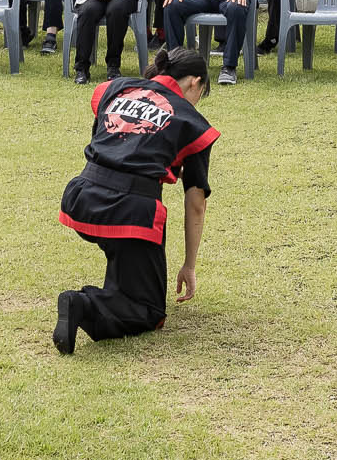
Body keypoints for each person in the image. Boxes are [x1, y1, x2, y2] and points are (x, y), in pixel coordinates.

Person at [54, 44, 219, 354]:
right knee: (149, 311)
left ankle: (114, 288)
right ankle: (82, 304)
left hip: (82, 197)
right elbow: (196, 203)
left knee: (129, 255)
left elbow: (110, 130)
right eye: (201, 93)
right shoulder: (192, 122)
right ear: (195, 83)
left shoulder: (118, 87)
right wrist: (189, 265)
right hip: (129, 214)